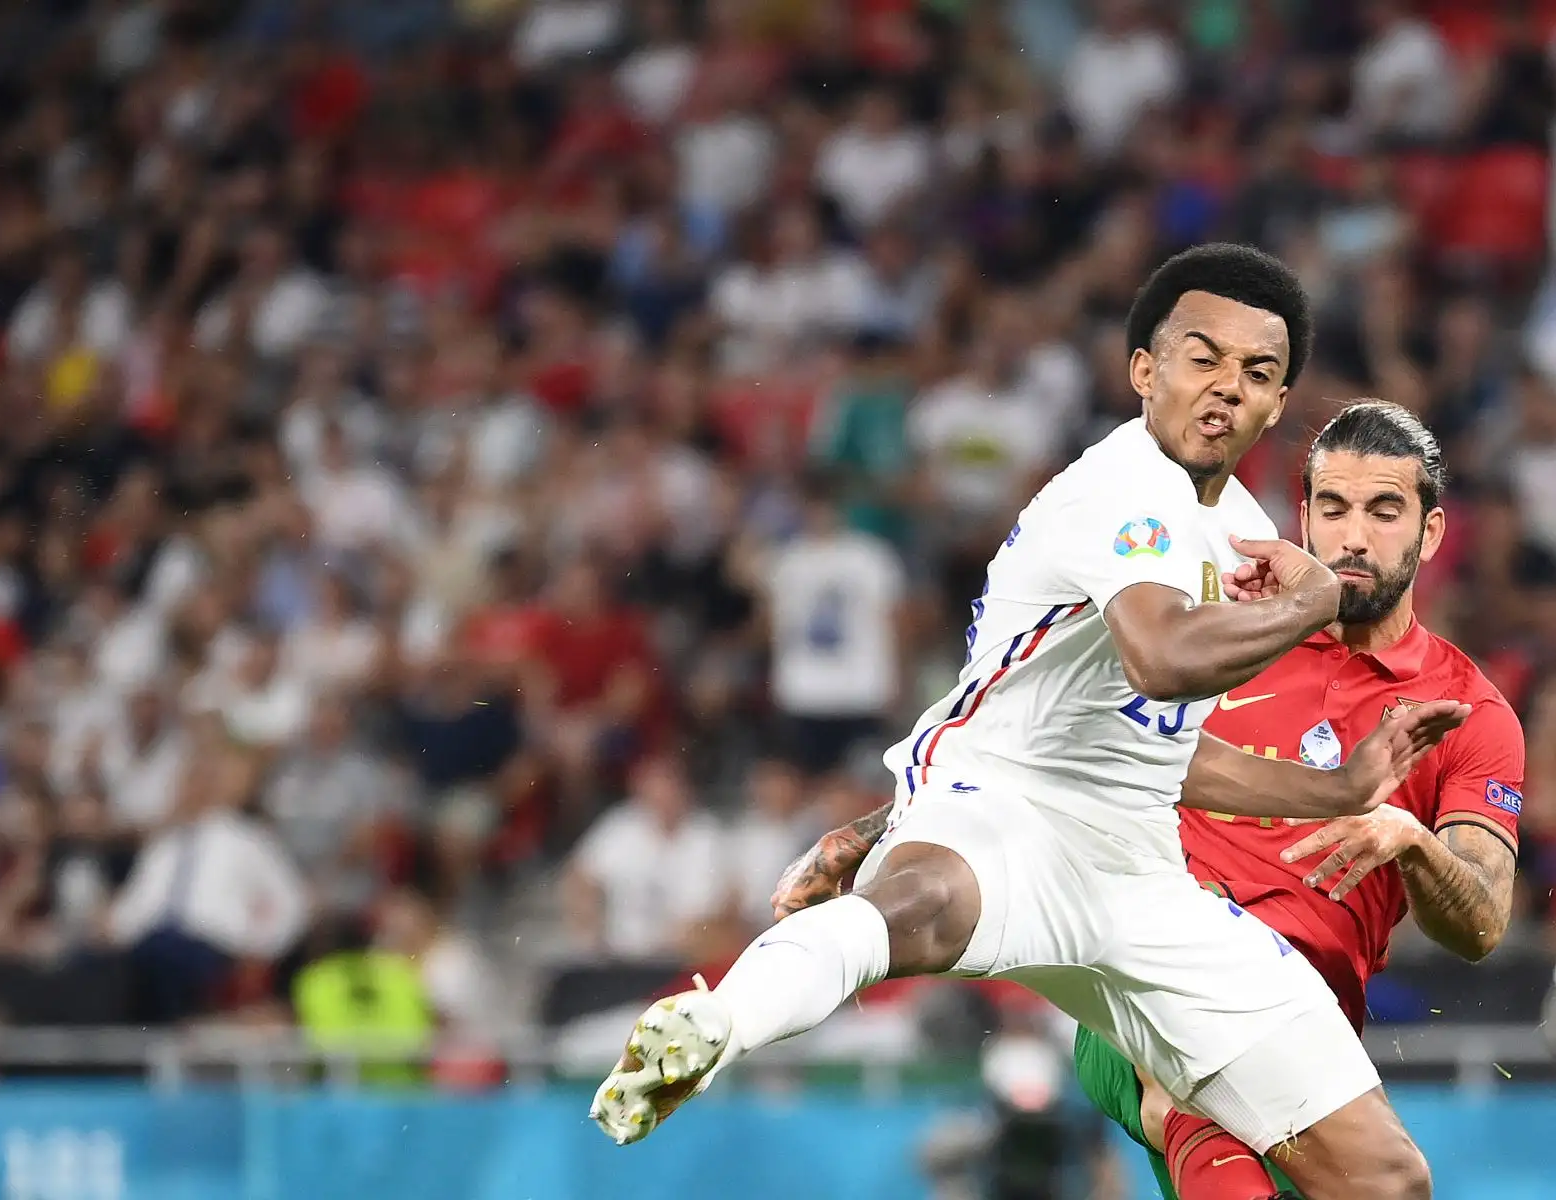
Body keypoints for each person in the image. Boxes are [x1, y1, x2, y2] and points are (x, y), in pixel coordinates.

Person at [588, 244, 1469, 1200]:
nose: (1225, 388)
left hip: (1139, 868)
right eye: (1200, 357)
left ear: (1278, 401)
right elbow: (1163, 658)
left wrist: (1335, 790)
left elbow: (1162, 752)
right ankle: (716, 1027)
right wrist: (1319, 598)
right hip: (1006, 810)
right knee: (915, 913)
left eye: (1257, 373)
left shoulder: (1234, 527)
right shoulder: (1122, 491)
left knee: (1385, 1179)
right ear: (1145, 369)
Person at [777, 401, 1525, 1199]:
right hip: (1142, 989)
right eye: (1333, 508)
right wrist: (865, 835)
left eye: (1384, 511)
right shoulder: (1222, 642)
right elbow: (1039, 743)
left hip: (1303, 1045)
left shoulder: (1467, 714)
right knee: (1184, 1079)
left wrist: (1411, 839)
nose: (1352, 536)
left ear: (1431, 532)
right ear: (1302, 517)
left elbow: (1480, 923)